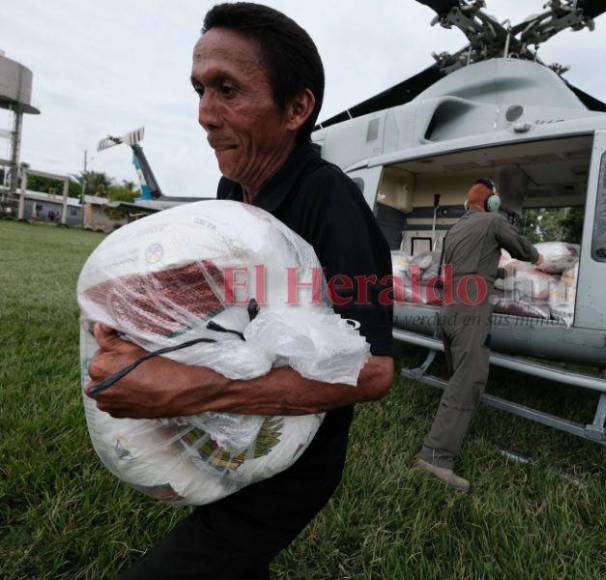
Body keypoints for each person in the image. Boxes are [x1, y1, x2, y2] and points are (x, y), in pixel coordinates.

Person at [85, 4, 394, 578]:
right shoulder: (233, 188)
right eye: (200, 89)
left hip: (290, 459)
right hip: (231, 441)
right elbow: (226, 291)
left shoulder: (330, 203)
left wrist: (191, 391)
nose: (205, 114)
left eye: (227, 89)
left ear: (297, 108)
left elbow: (374, 372)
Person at [413, 177, 541, 492]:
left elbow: (456, 271)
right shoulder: (493, 221)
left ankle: (446, 434)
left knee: (458, 376)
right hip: (471, 313)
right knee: (468, 382)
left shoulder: (454, 230)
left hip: (450, 309)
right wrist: (539, 258)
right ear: (491, 202)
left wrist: (497, 273)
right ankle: (435, 457)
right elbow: (523, 249)